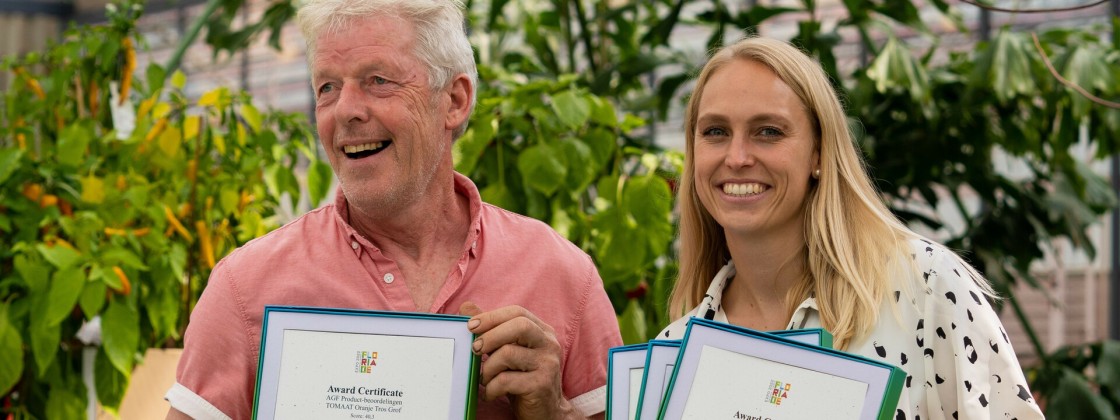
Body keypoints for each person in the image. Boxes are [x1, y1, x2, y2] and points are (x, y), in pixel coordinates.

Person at [164, 0, 620, 418]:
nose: (345, 110)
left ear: (455, 100)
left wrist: (553, 412)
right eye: (327, 87)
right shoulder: (244, 288)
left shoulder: (562, 275)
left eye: (378, 81)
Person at [658, 37, 1044, 419]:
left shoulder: (924, 292)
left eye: (769, 131)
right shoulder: (671, 357)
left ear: (819, 153)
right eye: (715, 132)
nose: (737, 157)